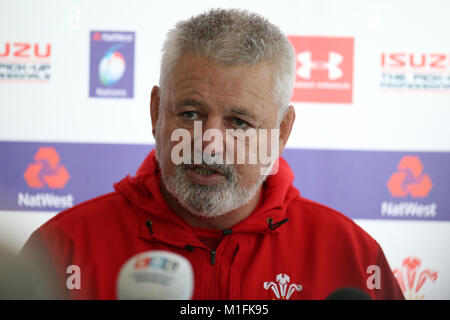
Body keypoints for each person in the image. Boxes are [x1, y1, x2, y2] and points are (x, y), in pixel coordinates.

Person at [21, 8, 404, 300]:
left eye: (239, 122)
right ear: (156, 113)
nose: (209, 142)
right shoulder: (60, 248)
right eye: (191, 114)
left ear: (281, 132)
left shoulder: (352, 255)